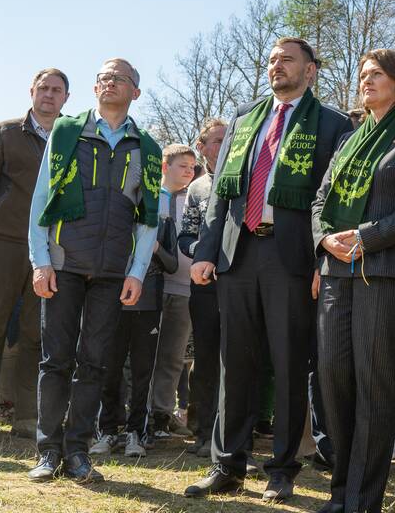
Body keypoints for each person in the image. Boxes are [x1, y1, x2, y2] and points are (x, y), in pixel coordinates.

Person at [185, 37, 352, 501]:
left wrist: (324, 260)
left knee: (288, 365)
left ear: (311, 71)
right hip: (238, 255)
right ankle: (227, 466)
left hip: (292, 258)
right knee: (233, 363)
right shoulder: (245, 118)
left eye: (288, 60)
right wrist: (205, 251)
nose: (277, 66)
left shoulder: (332, 124)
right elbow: (221, 190)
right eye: (273, 60)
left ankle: (281, 469)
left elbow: (335, 199)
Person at [26, 58, 163, 484]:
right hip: (64, 265)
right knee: (55, 362)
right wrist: (40, 261)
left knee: (94, 364)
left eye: (117, 78)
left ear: (134, 92)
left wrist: (137, 272)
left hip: (110, 273)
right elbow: (41, 199)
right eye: (102, 77)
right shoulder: (67, 132)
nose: (107, 83)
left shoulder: (149, 148)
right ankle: (48, 452)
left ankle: (78, 453)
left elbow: (148, 219)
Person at [312, 49, 395, 513]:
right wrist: (325, 240)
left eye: (376, 74)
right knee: (334, 382)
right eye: (363, 74)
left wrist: (367, 237)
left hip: (383, 277)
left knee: (375, 388)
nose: (365, 80)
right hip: (335, 275)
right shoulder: (349, 140)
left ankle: (362, 501)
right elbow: (320, 200)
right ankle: (340, 493)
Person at [0, 68, 69, 437]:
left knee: (35, 333)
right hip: (2, 243)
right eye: (43, 88)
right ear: (31, 91)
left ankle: (27, 417)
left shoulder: (71, 137)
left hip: (49, 250)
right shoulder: (5, 133)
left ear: (66, 98)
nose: (49, 94)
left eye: (56, 90)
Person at [91, 144, 194, 458]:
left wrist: (155, 251)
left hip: (148, 302)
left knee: (141, 369)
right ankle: (107, 430)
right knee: (109, 367)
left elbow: (173, 264)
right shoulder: (114, 208)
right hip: (112, 299)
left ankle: (137, 431)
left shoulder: (160, 216)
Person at [179, 117, 227, 458]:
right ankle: (202, 431)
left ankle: (235, 434)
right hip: (205, 284)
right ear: (202, 147)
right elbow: (185, 236)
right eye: (216, 140)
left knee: (239, 358)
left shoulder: (249, 179)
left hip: (242, 282)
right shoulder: (197, 188)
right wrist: (204, 255)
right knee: (206, 359)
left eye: (228, 139)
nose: (223, 145)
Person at [149, 139, 201, 439]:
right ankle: (136, 413)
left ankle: (162, 414)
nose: (189, 172)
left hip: (184, 288)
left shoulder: (192, 200)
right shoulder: (150, 197)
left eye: (193, 167)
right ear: (166, 166)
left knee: (173, 356)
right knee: (144, 354)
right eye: (183, 166)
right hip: (152, 286)